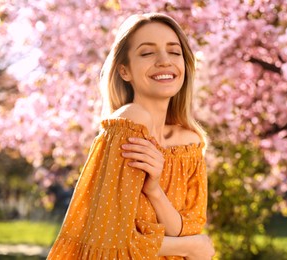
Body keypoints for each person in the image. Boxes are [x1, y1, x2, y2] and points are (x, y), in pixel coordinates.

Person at [47, 13, 215, 259]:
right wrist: (189, 247)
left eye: (174, 52)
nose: (164, 61)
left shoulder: (190, 142)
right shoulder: (129, 123)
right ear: (125, 71)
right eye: (147, 53)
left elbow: (190, 227)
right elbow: (107, 243)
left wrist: (154, 190)